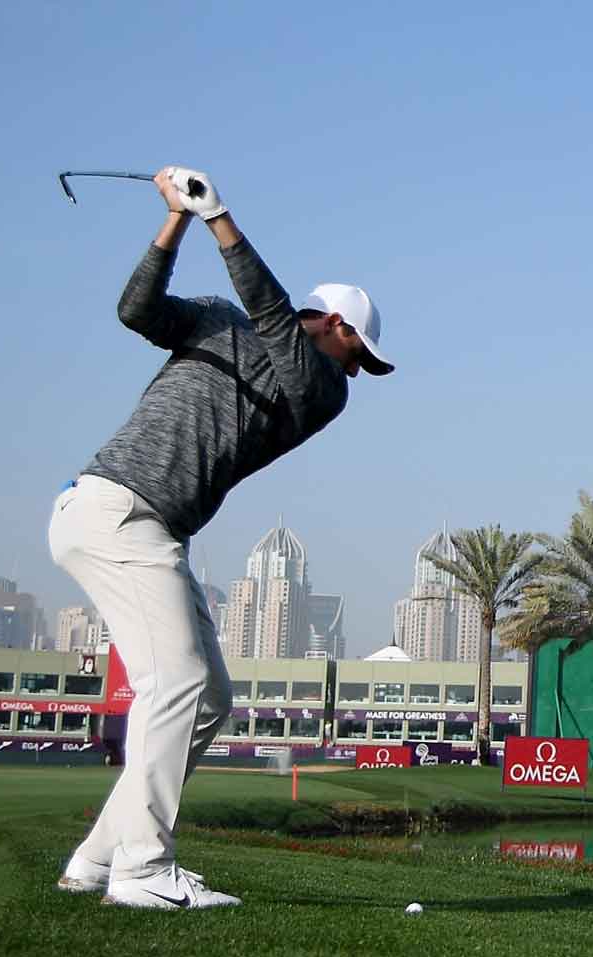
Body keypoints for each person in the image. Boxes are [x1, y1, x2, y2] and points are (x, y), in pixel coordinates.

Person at [49, 166, 393, 909]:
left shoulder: (320, 390)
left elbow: (271, 318)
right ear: (336, 325)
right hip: (116, 510)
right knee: (173, 685)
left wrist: (221, 220)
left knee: (207, 703)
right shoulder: (218, 318)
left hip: (151, 529)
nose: (357, 373)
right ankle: (144, 868)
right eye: (358, 353)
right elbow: (136, 310)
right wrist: (177, 219)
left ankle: (96, 859)